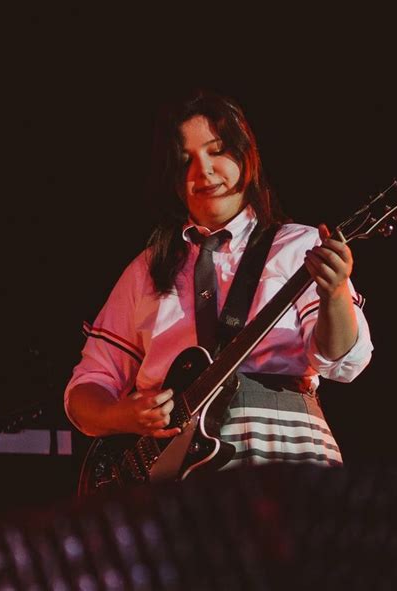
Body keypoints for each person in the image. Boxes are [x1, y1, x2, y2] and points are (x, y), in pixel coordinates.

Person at [64, 89, 373, 470]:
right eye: (184, 161)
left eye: (217, 151)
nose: (204, 170)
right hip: (171, 474)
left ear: (246, 155)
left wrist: (335, 293)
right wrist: (122, 416)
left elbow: (344, 363)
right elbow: (87, 387)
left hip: (285, 451)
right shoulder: (147, 269)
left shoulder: (299, 245)